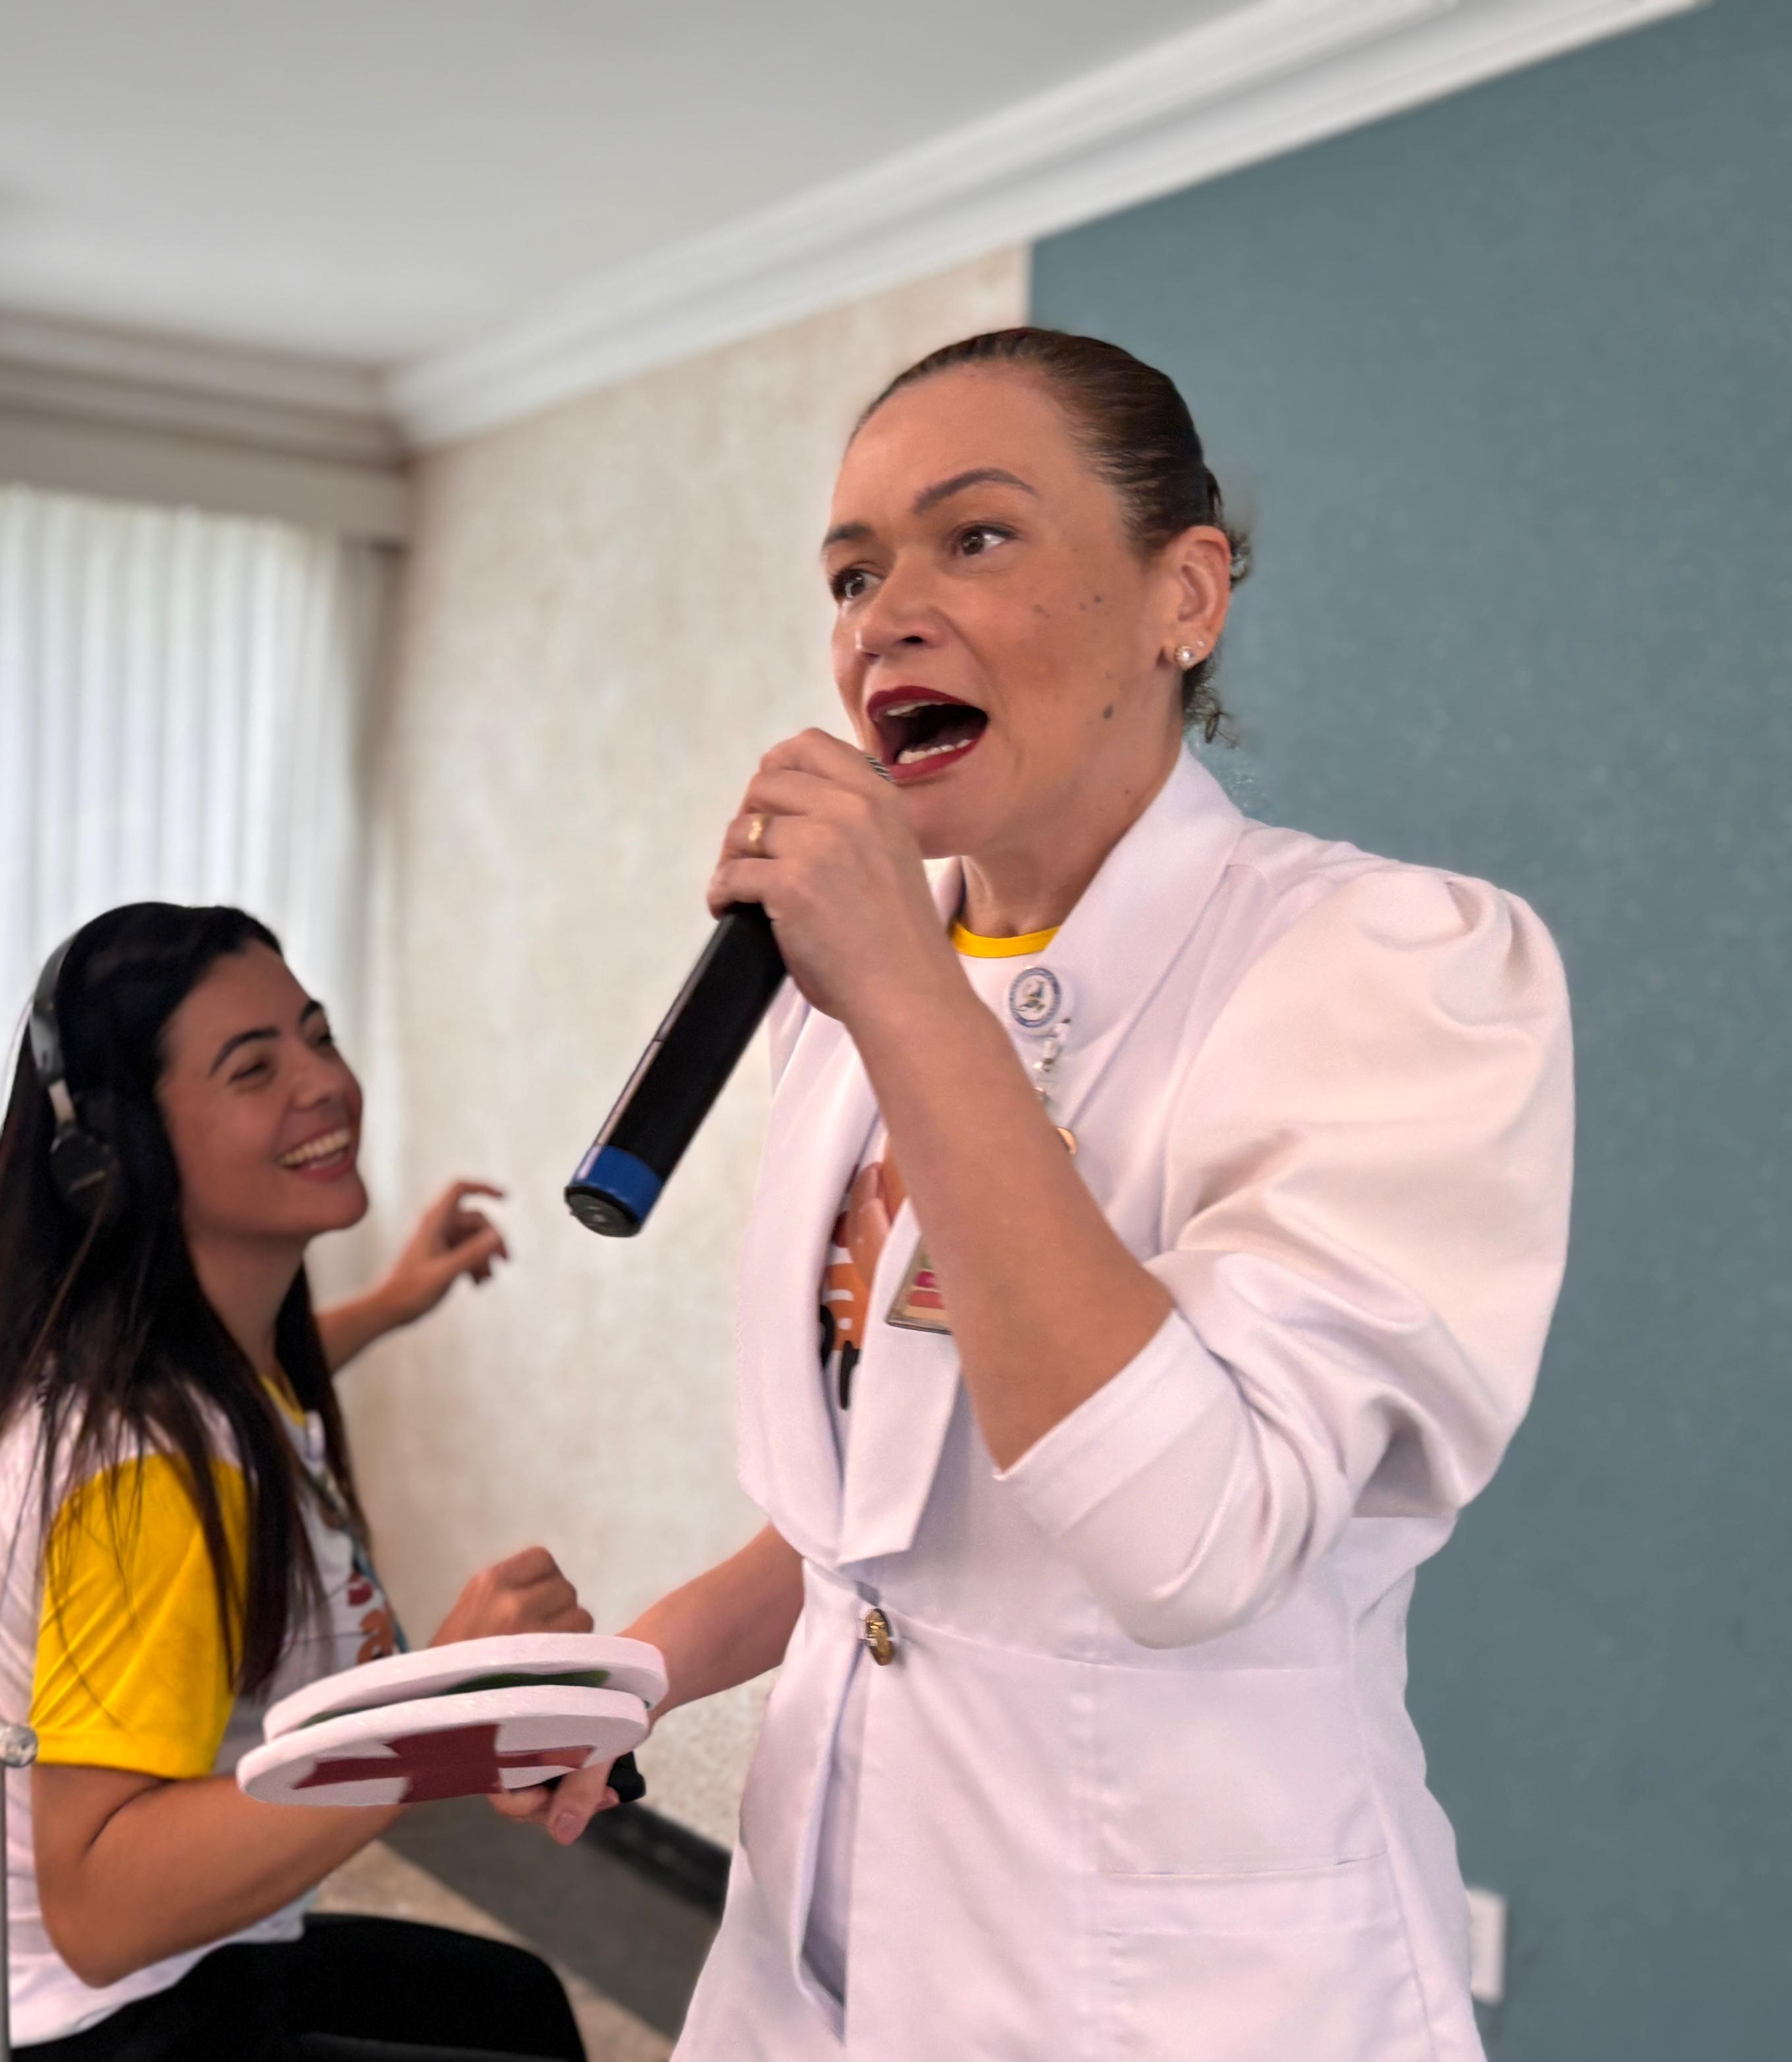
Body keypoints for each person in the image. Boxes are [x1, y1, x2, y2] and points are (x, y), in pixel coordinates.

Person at [514, 329, 1574, 2061]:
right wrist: (635, 1669)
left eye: (977, 537)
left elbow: (1192, 1538)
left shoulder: (1392, 967)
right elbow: (873, 1537)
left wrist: (908, 997)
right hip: (810, 1961)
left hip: (1175, 2002)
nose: (885, 619)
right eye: (852, 573)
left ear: (1185, 596)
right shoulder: (841, 1002)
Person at [0, 903, 592, 2061]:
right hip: (81, 2022)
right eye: (254, 1068)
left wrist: (395, 1304)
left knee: (515, 2006)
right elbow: (102, 1916)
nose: (324, 1083)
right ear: (121, 1154)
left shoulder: (154, 1360)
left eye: (317, 1036)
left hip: (41, 1986)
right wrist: (433, 1719)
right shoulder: (152, 1484)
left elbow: (251, 1415)